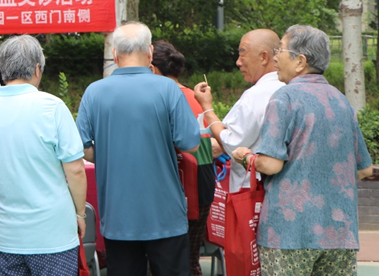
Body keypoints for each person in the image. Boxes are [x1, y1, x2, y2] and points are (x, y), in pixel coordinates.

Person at [224, 26, 373, 276]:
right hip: (340, 233)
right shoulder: (341, 100)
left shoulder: (284, 98)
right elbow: (364, 169)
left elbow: (271, 164)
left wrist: (245, 157)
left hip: (289, 233)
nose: (275, 57)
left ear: (300, 61)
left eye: (281, 50)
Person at [75, 22, 199, 276]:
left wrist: (108, 154)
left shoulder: (94, 92)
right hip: (165, 215)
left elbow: (81, 148)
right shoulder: (168, 89)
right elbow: (191, 144)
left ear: (115, 54)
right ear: (150, 52)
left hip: (118, 216)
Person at [0, 35, 86, 276]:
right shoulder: (53, 107)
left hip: (5, 235)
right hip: (53, 233)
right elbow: (75, 169)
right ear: (37, 69)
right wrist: (80, 214)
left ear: (2, 69)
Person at [151, 41, 215, 276]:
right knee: (190, 258)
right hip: (203, 180)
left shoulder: (160, 98)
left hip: (176, 183)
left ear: (152, 69)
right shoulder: (195, 96)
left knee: (164, 261)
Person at [194, 29, 284, 192]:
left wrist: (207, 107)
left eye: (243, 54)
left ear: (264, 57)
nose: (238, 62)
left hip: (252, 189)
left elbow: (231, 143)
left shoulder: (256, 95)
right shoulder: (288, 88)